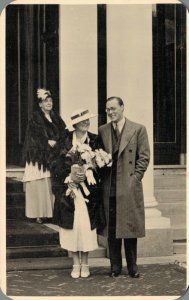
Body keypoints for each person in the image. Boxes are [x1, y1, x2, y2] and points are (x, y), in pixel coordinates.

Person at [98, 96, 150, 278]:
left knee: (129, 228)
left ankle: (133, 266)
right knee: (112, 229)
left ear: (122, 107)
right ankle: (115, 266)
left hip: (128, 186)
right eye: (107, 109)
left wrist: (135, 178)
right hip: (109, 187)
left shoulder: (138, 129)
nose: (110, 112)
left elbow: (144, 157)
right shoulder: (102, 131)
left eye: (113, 108)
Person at [51, 108, 106, 279]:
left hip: (88, 193)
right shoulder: (64, 141)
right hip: (70, 192)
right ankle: (76, 263)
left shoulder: (95, 140)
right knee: (71, 228)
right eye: (82, 121)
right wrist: (70, 175)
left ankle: (86, 263)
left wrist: (90, 170)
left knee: (86, 227)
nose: (86, 123)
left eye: (87, 120)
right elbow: (54, 165)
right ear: (74, 124)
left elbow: (102, 163)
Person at [22, 88, 66, 224]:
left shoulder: (56, 117)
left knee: (50, 185)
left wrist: (58, 142)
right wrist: (46, 142)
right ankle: (38, 214)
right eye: (45, 101)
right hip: (39, 157)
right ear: (40, 104)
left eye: (50, 100)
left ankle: (50, 213)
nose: (49, 103)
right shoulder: (35, 118)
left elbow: (63, 133)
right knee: (39, 185)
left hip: (53, 155)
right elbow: (32, 137)